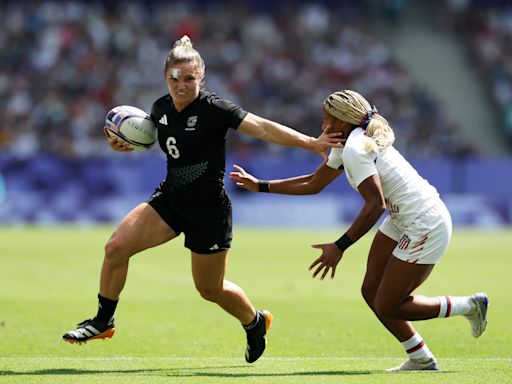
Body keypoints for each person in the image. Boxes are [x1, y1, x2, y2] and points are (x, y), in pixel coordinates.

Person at [62, 35, 342, 364]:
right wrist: (122, 144)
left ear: (201, 77)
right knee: (115, 248)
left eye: (189, 78)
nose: (181, 85)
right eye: (174, 78)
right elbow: (151, 139)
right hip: (169, 201)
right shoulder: (160, 108)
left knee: (210, 290)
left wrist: (311, 143)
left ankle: (254, 321)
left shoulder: (216, 109)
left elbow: (263, 128)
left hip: (208, 211)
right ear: (166, 78)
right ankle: (103, 321)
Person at [230, 89, 489, 371]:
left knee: (389, 304)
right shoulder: (347, 145)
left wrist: (339, 246)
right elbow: (314, 183)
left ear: (341, 122)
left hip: (425, 223)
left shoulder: (355, 148)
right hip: (405, 218)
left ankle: (469, 306)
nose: (322, 124)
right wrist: (262, 185)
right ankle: (421, 358)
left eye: (325, 118)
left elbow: (375, 204)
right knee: (371, 291)